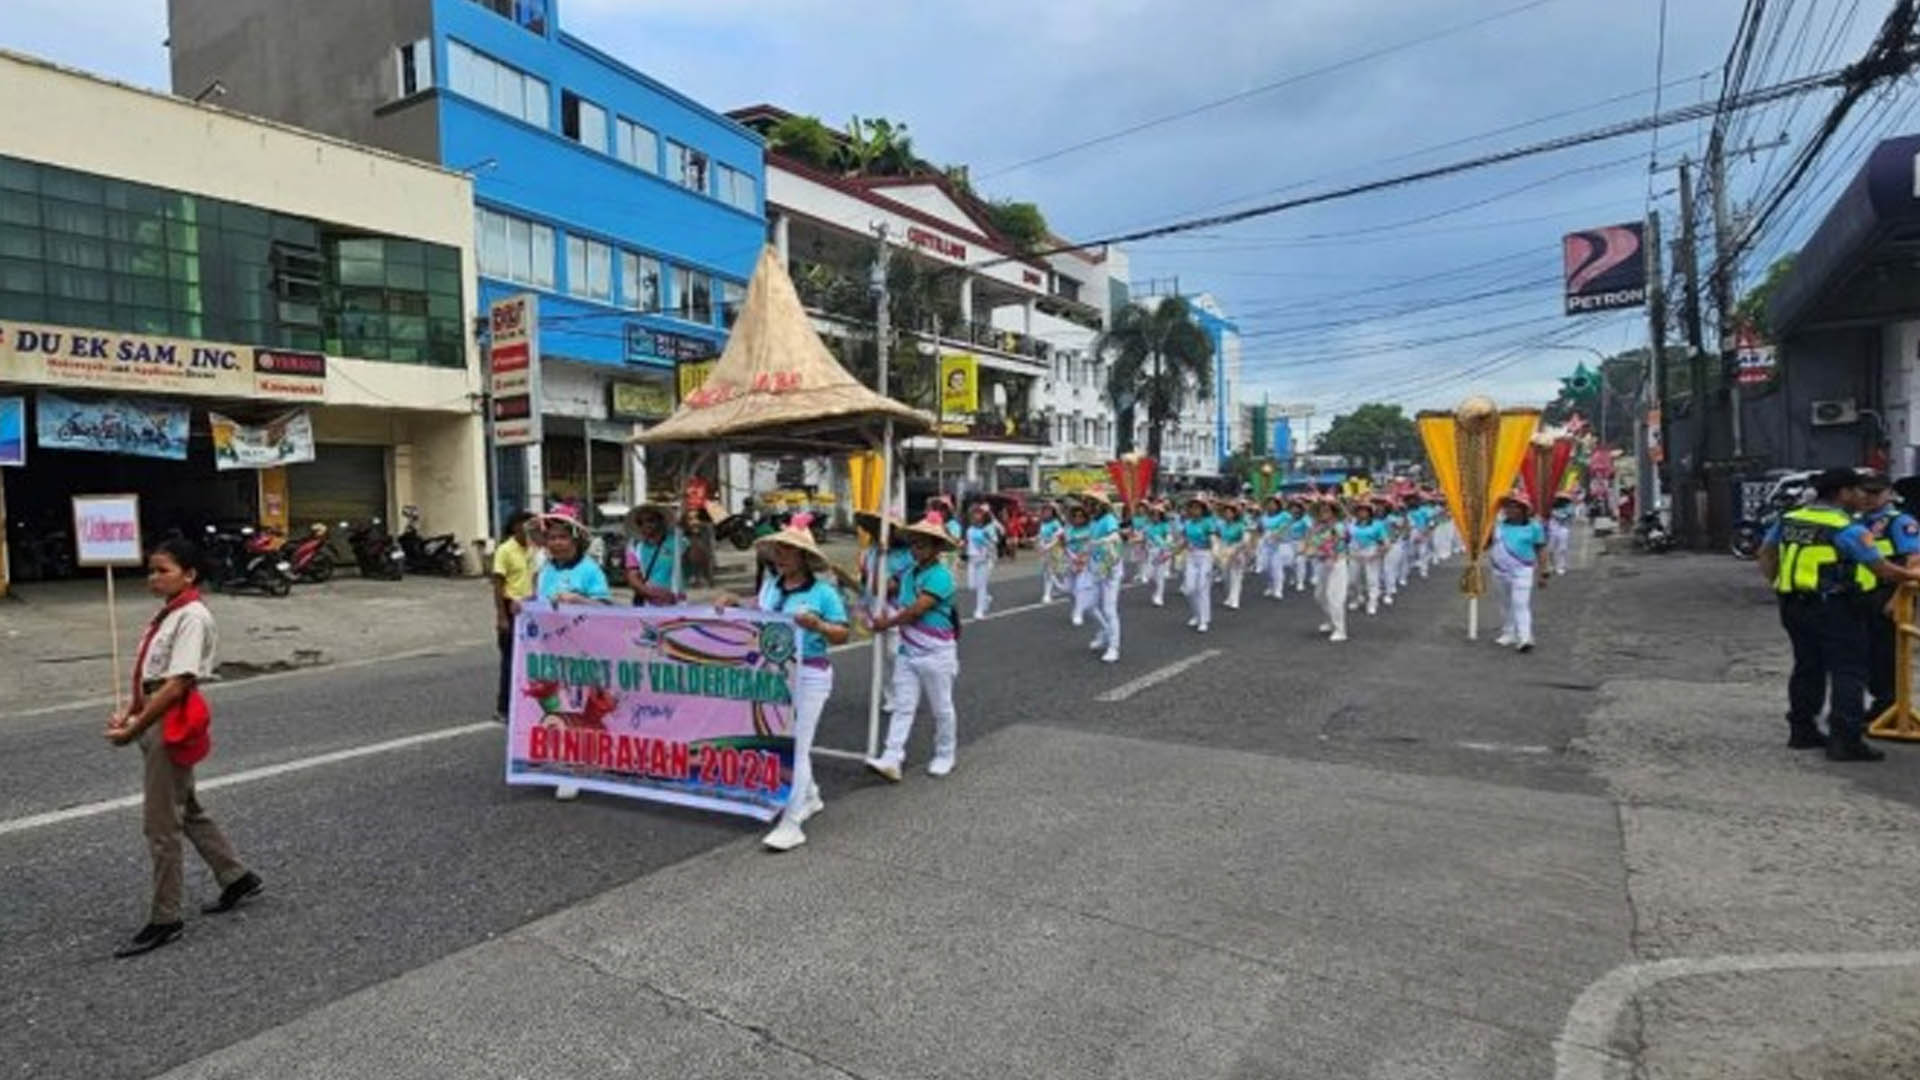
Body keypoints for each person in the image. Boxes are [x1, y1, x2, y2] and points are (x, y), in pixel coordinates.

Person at [106, 538, 262, 958]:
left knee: (161, 824)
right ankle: (236, 876)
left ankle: (166, 917)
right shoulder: (169, 613)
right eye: (151, 570)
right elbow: (150, 675)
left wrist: (136, 726)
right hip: (153, 713)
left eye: (163, 570)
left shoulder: (192, 616)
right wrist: (129, 711)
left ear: (189, 574)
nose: (153, 578)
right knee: (187, 807)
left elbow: (176, 683)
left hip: (169, 720)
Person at [1759, 467, 1920, 762]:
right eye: (1858, 490)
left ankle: (1802, 730)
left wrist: (1779, 585)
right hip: (1834, 607)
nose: (1863, 496)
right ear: (1843, 493)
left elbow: (1766, 554)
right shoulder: (1846, 528)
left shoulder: (1791, 518)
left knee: (1808, 666)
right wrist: (1911, 577)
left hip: (1794, 605)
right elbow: (1881, 569)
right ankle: (1845, 740)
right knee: (1849, 671)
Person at [714, 518, 850, 850]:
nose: (781, 555)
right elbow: (759, 615)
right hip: (773, 675)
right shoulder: (771, 586)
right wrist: (735, 603)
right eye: (778, 549)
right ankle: (811, 795)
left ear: (804, 556)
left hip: (810, 675)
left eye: (789, 550)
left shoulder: (823, 593)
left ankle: (792, 823)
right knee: (780, 740)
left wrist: (818, 625)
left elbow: (842, 633)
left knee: (796, 747)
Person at [866, 515, 962, 783]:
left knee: (941, 707)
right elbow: (879, 589)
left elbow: (916, 610)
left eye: (922, 545)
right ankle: (892, 757)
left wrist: (887, 623)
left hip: (936, 652)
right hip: (908, 651)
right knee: (903, 705)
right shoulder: (908, 574)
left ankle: (945, 754)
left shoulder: (941, 576)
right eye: (913, 544)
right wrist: (879, 557)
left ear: (936, 548)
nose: (916, 550)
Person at [536, 512, 613, 801]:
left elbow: (607, 609)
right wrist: (522, 605)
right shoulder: (545, 570)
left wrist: (579, 600)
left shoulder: (590, 570)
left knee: (581, 709)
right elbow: (538, 603)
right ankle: (559, 758)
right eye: (551, 538)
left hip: (585, 652)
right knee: (554, 705)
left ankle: (576, 769)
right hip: (551, 649)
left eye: (562, 537)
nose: (556, 543)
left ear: (575, 541)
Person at [1859, 472, 1920, 730]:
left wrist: (1898, 598)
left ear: (1889, 494)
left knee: (1888, 655)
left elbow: (1914, 561)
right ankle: (1880, 704)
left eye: (1876, 493)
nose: (1869, 498)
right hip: (1864, 595)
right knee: (1869, 655)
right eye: (1865, 492)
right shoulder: (1860, 521)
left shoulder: (1900, 522)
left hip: (1889, 595)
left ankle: (1891, 706)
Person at [491, 510, 539, 722]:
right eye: (525, 525)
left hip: (531, 607)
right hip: (511, 606)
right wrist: (501, 616)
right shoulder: (505, 550)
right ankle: (504, 708)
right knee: (510, 660)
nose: (529, 530)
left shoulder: (534, 549)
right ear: (515, 527)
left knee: (530, 660)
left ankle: (525, 704)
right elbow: (498, 585)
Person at [1489, 493, 1546, 652]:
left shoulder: (1534, 527)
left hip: (1522, 570)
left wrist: (1543, 572)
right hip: (1499, 571)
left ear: (1523, 510)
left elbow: (1541, 549)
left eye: (1514, 507)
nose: (1510, 510)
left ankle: (1525, 637)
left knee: (1520, 603)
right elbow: (1486, 545)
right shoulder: (1496, 526)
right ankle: (1509, 633)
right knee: (1505, 603)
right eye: (1507, 506)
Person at [1083, 491, 1125, 663]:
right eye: (1086, 503)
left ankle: (1114, 647)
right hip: (1096, 567)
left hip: (1111, 567)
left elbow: (1115, 535)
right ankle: (1106, 631)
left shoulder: (1109, 519)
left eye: (1090, 503)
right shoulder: (1093, 522)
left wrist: (1104, 541)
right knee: (1089, 605)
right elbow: (1090, 542)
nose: (1087, 506)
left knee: (1108, 609)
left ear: (1100, 505)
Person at [1305, 499, 1350, 643]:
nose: (1323, 513)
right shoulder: (1317, 527)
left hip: (1337, 563)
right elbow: (1311, 543)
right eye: (1321, 511)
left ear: (1334, 512)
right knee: (1320, 595)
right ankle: (1330, 621)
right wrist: (1309, 549)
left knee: (1334, 597)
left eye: (1326, 510)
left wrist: (1324, 552)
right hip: (1323, 564)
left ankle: (1340, 630)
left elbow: (1336, 543)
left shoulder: (1339, 527)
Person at [623, 504, 684, 606]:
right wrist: (653, 593)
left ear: (661, 521)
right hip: (649, 605)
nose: (646, 525)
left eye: (650, 520)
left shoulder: (677, 542)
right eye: (640, 522)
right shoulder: (635, 547)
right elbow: (632, 577)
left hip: (678, 604)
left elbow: (696, 560)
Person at [1178, 495, 1219, 634]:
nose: (1194, 510)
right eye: (1192, 507)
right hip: (1191, 556)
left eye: (1197, 508)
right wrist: (1172, 552)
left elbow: (1213, 539)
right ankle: (1196, 615)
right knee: (1189, 588)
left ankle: (1203, 620)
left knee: (1202, 587)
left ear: (1203, 509)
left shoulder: (1208, 523)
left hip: (1205, 556)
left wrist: (1215, 555)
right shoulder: (1187, 524)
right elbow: (1184, 541)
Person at [1349, 500, 1389, 616]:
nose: (1362, 512)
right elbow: (1346, 538)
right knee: (1353, 579)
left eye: (1365, 510)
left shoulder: (1377, 525)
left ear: (1370, 512)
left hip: (1371, 552)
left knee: (1372, 580)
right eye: (1360, 510)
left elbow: (1386, 542)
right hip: (1354, 553)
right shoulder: (1351, 524)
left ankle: (1372, 602)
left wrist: (1377, 553)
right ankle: (1356, 598)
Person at [964, 503, 1000, 619]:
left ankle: (979, 610)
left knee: (981, 586)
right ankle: (986, 598)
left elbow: (994, 543)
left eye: (978, 514)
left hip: (983, 561)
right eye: (973, 514)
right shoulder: (969, 530)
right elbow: (968, 544)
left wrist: (988, 540)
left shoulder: (986, 530)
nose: (976, 517)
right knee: (971, 586)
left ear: (982, 517)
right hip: (972, 561)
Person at [1217, 501, 1252, 610]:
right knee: (1226, 577)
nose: (1227, 514)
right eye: (1225, 512)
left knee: (1235, 576)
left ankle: (1235, 600)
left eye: (1230, 512)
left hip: (1237, 551)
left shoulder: (1240, 525)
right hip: (1224, 551)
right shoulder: (1221, 525)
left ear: (1235, 513)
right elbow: (1217, 537)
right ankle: (1229, 597)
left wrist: (1238, 550)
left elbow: (1245, 540)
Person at [1035, 502, 1069, 605]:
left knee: (1051, 571)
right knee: (1046, 571)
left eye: (1049, 510)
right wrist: (1038, 542)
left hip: (1055, 550)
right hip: (1044, 550)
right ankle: (1056, 588)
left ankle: (1049, 593)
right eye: (1045, 510)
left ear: (1053, 512)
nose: (1046, 512)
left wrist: (1048, 546)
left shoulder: (1056, 523)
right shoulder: (1042, 523)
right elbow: (1041, 535)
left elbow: (1058, 537)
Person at [1144, 502, 1176, 606]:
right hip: (1150, 553)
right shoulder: (1147, 527)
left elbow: (1169, 537)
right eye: (1153, 514)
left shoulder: (1165, 526)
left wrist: (1166, 545)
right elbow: (1143, 538)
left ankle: (1159, 596)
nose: (1155, 517)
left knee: (1160, 576)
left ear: (1161, 516)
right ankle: (1155, 592)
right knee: (1149, 576)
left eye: (1157, 514)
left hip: (1161, 553)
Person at [1547, 495, 1575, 576]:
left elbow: (1566, 516)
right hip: (1552, 528)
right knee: (1550, 549)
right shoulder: (1552, 506)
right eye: (1559, 499)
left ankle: (1561, 566)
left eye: (1563, 499)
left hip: (1564, 528)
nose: (1561, 501)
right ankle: (1551, 565)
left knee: (1562, 548)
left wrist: (1557, 514)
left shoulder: (1569, 507)